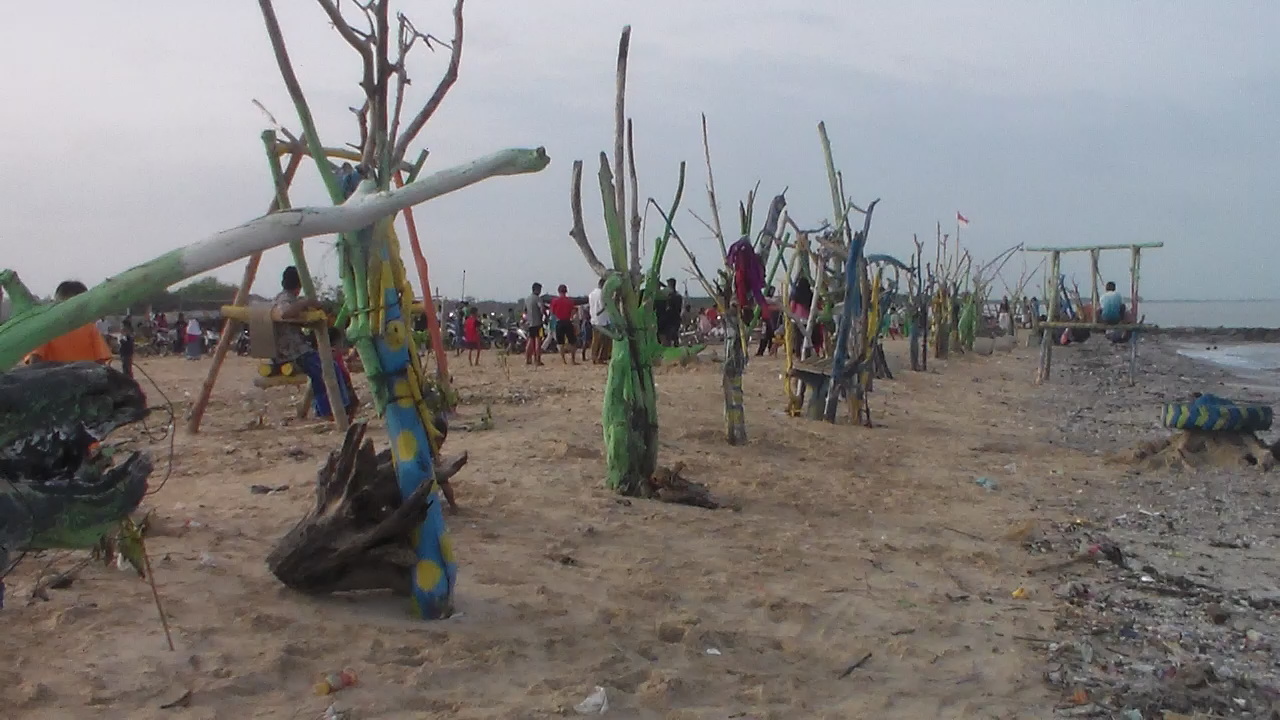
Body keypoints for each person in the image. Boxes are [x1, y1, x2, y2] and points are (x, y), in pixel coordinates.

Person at [273, 266, 351, 420]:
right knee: (329, 370)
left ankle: (324, 409)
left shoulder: (289, 298)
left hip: (297, 349)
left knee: (322, 373)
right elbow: (285, 313)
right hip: (294, 352)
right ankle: (337, 408)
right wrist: (306, 302)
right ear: (299, 284)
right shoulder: (285, 299)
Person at [23, 281, 113, 365]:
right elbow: (101, 362)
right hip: (82, 379)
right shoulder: (90, 328)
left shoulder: (46, 329)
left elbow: (34, 361)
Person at [549, 284, 580, 365]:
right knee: (572, 341)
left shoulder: (554, 301)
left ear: (558, 291)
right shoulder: (570, 301)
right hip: (567, 321)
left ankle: (564, 360)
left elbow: (552, 312)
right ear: (566, 291)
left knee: (560, 343)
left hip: (559, 322)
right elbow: (573, 311)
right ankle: (572, 360)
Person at [588, 278, 612, 364]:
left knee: (595, 340)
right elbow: (603, 306)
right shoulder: (603, 294)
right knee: (604, 340)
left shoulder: (591, 294)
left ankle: (594, 356)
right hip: (603, 319)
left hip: (594, 319)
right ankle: (601, 357)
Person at [524, 282, 545, 366]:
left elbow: (525, 311)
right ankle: (537, 360)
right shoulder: (538, 299)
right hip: (538, 323)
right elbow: (541, 309)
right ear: (537, 289)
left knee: (530, 341)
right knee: (538, 341)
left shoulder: (527, 299)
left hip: (530, 323)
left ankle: (527, 359)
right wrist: (543, 316)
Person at [659, 278, 683, 346]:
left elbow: (669, 307)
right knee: (674, 336)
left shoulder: (671, 296)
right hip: (676, 318)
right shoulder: (678, 296)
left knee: (668, 337)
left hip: (670, 319)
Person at [756, 286, 779, 356]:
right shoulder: (764, 300)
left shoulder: (772, 300)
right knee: (764, 336)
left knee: (771, 336)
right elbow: (759, 310)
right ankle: (761, 351)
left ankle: (770, 351)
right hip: (765, 320)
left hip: (771, 320)